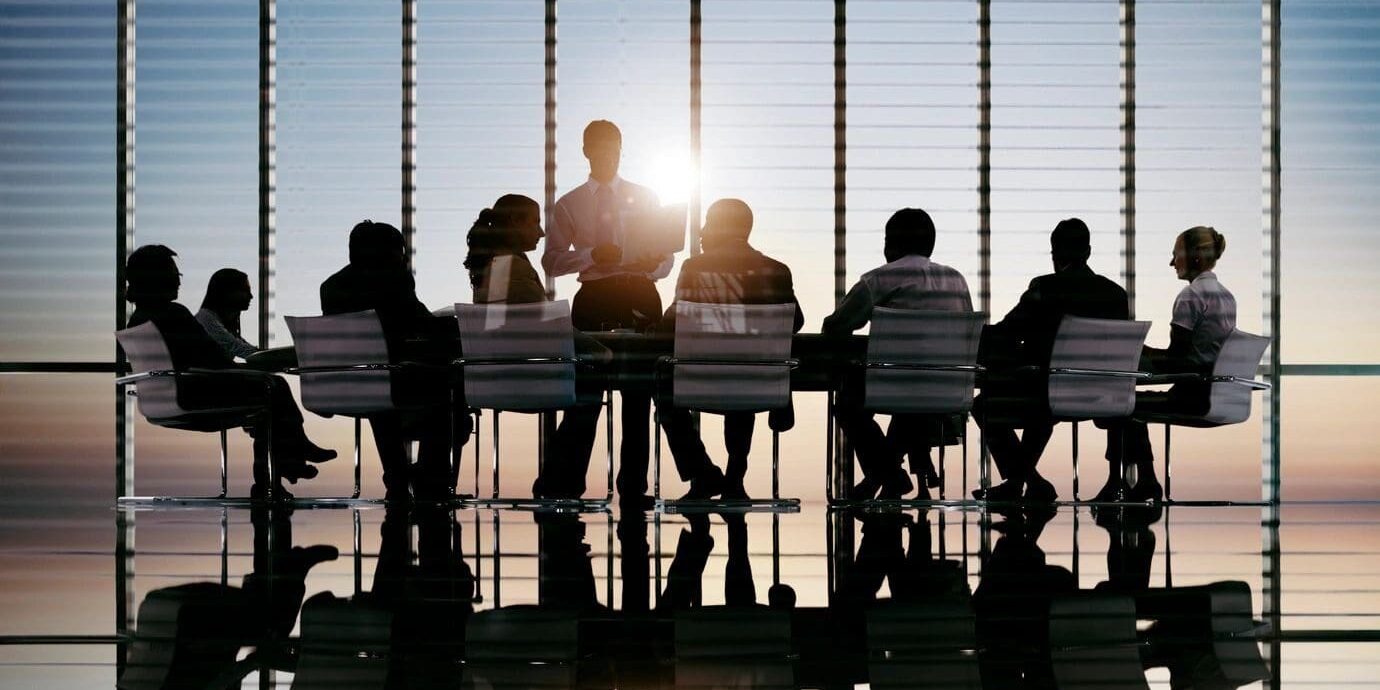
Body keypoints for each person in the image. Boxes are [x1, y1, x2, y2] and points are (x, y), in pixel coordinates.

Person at [123, 245, 332, 499]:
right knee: (274, 388)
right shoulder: (173, 314)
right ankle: (283, 465)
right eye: (174, 274)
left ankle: (285, 464)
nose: (178, 280)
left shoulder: (138, 320)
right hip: (195, 394)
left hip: (165, 400)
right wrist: (244, 370)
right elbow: (211, 359)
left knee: (268, 394)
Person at [542, 120, 671, 510]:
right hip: (594, 296)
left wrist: (651, 264)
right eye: (599, 146)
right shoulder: (569, 204)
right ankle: (567, 482)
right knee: (585, 393)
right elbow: (550, 261)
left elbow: (666, 259)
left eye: (613, 145)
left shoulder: (646, 198)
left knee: (638, 396)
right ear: (586, 150)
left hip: (639, 292)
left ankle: (633, 487)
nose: (607, 152)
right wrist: (591, 256)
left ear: (621, 147)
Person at [461, 194, 612, 501]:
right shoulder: (511, 268)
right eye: (535, 223)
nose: (542, 233)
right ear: (516, 222)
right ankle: (560, 481)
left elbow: (502, 324)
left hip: (494, 377)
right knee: (593, 379)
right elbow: (543, 325)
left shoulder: (491, 266)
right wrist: (601, 349)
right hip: (525, 378)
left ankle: (558, 479)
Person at [973, 218, 1130, 503]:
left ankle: (1026, 480)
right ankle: (1025, 483)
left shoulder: (1045, 288)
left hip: (1047, 394)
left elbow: (1008, 331)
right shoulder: (1116, 295)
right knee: (1040, 403)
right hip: (1103, 396)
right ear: (1088, 251)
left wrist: (973, 336)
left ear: (1055, 253)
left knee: (982, 404)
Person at [657, 198, 804, 501]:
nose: (701, 230)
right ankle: (735, 475)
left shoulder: (694, 268)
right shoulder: (777, 271)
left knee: (663, 389)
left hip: (701, 381)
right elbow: (795, 321)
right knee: (743, 379)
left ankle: (701, 473)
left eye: (708, 223)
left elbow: (673, 320)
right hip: (758, 385)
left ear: (720, 228)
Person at [823, 208, 974, 500]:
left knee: (847, 404)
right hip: (948, 389)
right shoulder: (957, 281)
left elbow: (835, 326)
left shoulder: (879, 280)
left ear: (890, 244)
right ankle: (888, 477)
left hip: (894, 387)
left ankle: (887, 474)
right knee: (911, 400)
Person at [320, 220, 464, 502]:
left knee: (381, 390)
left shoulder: (332, 286)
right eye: (400, 250)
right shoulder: (394, 279)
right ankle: (431, 478)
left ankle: (398, 479)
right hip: (398, 381)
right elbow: (416, 322)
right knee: (449, 389)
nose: (404, 257)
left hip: (349, 383)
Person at [1096, 226, 1235, 502]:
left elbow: (1177, 360)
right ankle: (1141, 481)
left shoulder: (1190, 297)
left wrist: (1139, 351)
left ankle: (1126, 482)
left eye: (1176, 255)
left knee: (1118, 406)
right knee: (1127, 405)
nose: (1172, 263)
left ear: (1194, 257)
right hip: (1214, 393)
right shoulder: (1226, 296)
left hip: (1191, 395)